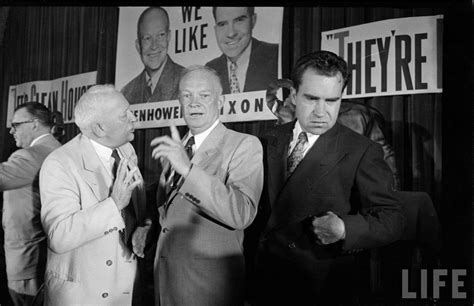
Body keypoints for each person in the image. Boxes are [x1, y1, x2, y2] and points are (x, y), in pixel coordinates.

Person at [254, 50, 406, 305]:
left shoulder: (362, 150)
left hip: (320, 287)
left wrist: (346, 228)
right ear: (293, 94)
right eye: (311, 98)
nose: (321, 112)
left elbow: (393, 218)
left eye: (331, 100)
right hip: (261, 281)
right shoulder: (267, 140)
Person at [150, 65, 263, 305]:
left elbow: (241, 213)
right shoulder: (177, 146)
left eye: (204, 95)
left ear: (219, 101)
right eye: (186, 95)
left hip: (208, 288)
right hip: (167, 280)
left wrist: (188, 170)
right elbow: (168, 210)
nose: (194, 103)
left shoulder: (243, 145)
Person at [39, 85, 152, 305]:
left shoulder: (126, 151)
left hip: (124, 290)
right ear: (100, 129)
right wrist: (114, 204)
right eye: (124, 115)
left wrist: (144, 225)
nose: (134, 117)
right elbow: (59, 236)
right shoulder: (60, 163)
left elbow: (136, 210)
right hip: (84, 294)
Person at [0, 102, 61, 305]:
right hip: (48, 257)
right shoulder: (61, 151)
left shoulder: (30, 156)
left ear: (34, 124)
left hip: (27, 261)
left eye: (16, 125)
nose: (11, 131)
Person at [206, 7, 278, 94]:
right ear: (215, 29)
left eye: (239, 20)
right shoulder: (210, 70)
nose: (231, 33)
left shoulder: (276, 56)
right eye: (222, 24)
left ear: (253, 21)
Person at [122, 6, 184, 104]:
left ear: (168, 37)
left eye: (161, 35)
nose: (154, 46)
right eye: (147, 38)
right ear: (138, 46)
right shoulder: (126, 93)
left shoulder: (186, 81)